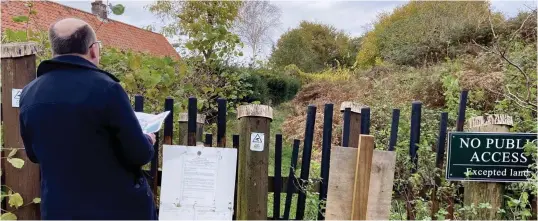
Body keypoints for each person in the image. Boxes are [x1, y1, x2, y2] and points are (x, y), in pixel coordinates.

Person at [18, 18, 158, 220]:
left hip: (59, 211)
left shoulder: (29, 93)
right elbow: (139, 154)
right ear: (93, 50)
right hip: (114, 210)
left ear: (54, 50)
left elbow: (34, 155)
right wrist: (148, 139)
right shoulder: (107, 89)